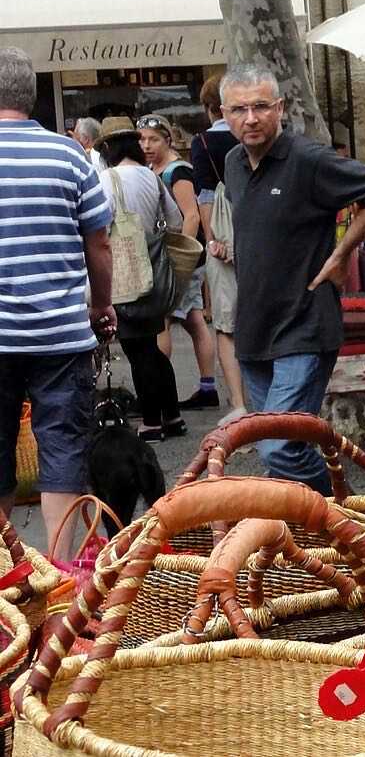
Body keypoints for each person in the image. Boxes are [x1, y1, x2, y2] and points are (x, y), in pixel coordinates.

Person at [221, 65, 365, 493]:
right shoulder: (231, 163)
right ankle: (330, 532)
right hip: (254, 328)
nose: (251, 118)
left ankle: (344, 523)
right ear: (224, 114)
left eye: (261, 106)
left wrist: (342, 253)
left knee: (279, 448)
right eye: (239, 109)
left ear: (279, 108)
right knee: (279, 446)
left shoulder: (307, 158)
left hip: (304, 324)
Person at [0, 46, 114, 558]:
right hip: (62, 334)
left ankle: (6, 576)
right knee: (63, 448)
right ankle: (62, 571)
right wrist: (101, 306)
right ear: (32, 94)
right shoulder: (71, 156)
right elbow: (101, 244)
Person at [94, 117, 187, 442]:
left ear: (107, 148)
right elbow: (175, 221)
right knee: (151, 346)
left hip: (125, 275)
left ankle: (151, 421)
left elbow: (98, 229)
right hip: (155, 271)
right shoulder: (151, 176)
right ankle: (172, 416)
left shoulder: (107, 178)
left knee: (138, 351)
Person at [138, 113, 218, 411]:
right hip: (174, 257)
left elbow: (192, 215)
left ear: (167, 140)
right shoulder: (154, 168)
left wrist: (180, 258)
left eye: (153, 139)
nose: (146, 145)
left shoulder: (177, 172)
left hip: (177, 259)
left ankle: (159, 392)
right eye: (142, 139)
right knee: (194, 319)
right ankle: (207, 386)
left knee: (163, 321)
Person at [191, 76, 246, 425]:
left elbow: (206, 195)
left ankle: (240, 403)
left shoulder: (202, 143)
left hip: (224, 237)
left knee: (226, 325)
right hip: (257, 233)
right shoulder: (251, 135)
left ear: (210, 108)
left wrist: (213, 238)